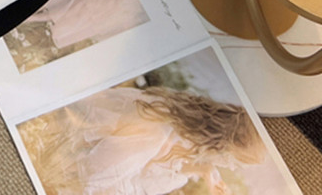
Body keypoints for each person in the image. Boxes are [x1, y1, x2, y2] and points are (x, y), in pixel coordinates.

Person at [20, 82, 267, 195]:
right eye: (236, 161)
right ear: (224, 144)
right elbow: (95, 178)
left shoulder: (185, 142)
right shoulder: (157, 133)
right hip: (50, 160)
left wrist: (201, 172)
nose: (231, 168)